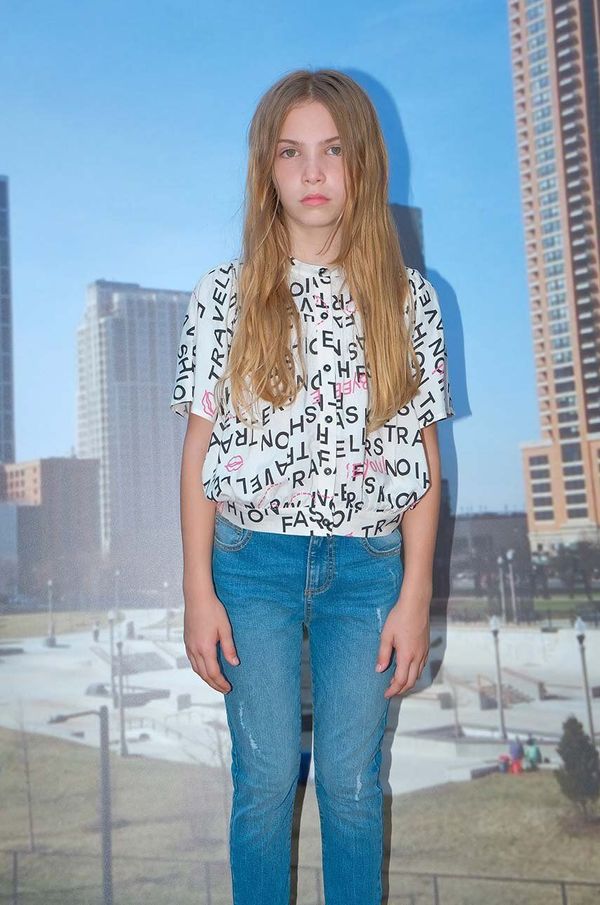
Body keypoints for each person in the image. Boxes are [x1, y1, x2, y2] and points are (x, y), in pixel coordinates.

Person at [170, 68, 455, 905]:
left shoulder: (408, 300)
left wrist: (415, 593)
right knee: (262, 780)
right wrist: (196, 589)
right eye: (291, 152)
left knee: (352, 783)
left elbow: (423, 461)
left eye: (332, 150)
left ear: (363, 164)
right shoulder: (223, 295)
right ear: (267, 169)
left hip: (367, 571)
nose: (313, 172)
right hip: (249, 566)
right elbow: (198, 451)